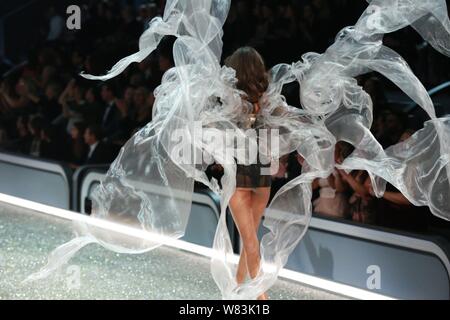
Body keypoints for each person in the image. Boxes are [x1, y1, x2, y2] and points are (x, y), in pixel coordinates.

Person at [224, 47, 271, 300]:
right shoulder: (267, 98)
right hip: (262, 168)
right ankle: (236, 287)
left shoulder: (230, 99)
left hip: (240, 168)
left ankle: (261, 297)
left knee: (249, 238)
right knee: (250, 234)